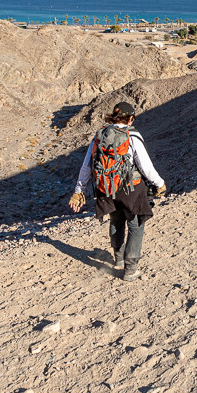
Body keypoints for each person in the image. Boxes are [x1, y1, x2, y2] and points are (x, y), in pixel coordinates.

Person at [68, 101, 166, 280]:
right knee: (135, 224)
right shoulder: (132, 135)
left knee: (116, 220)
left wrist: (79, 190)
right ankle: (130, 268)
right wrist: (159, 183)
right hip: (130, 189)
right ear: (130, 118)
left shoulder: (99, 136)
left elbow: (87, 166)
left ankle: (118, 259)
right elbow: (145, 166)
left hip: (106, 188)